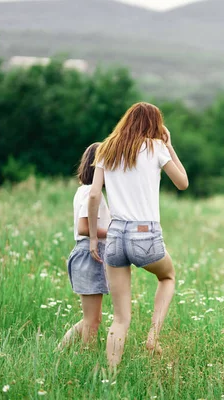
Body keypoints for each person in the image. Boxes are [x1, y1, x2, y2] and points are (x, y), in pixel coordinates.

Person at [87, 102, 188, 369]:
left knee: (120, 319)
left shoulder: (106, 148)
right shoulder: (156, 148)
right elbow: (183, 183)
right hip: (146, 233)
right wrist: (169, 146)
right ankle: (153, 336)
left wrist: (94, 239)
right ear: (155, 125)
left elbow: (95, 193)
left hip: (116, 234)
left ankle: (109, 377)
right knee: (167, 276)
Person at [59, 143, 111, 348]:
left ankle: (58, 352)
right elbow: (83, 227)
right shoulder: (91, 192)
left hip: (88, 254)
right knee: (92, 321)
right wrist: (115, 232)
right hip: (90, 254)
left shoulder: (85, 190)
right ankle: (87, 359)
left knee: (92, 318)